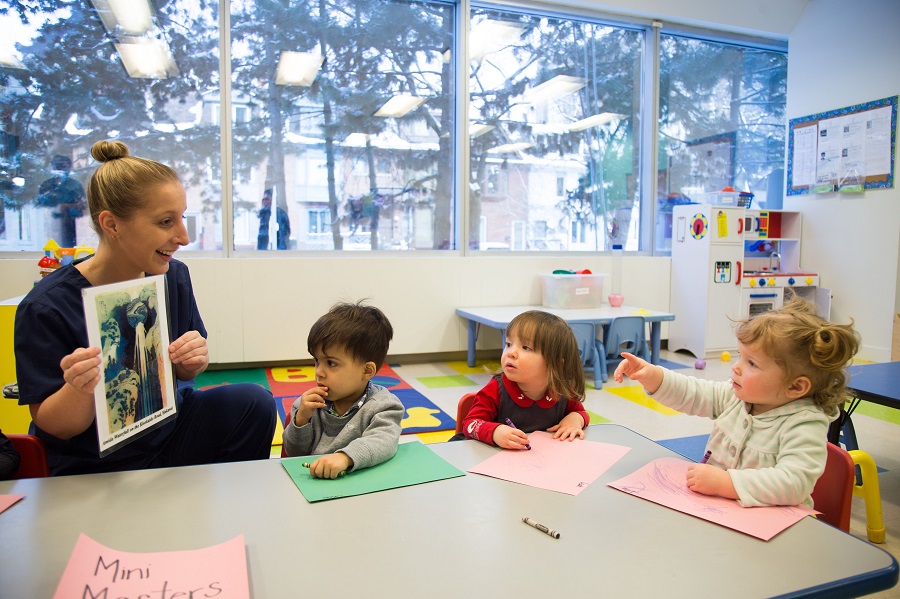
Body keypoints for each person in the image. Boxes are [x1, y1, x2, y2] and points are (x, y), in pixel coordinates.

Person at [14, 140, 277, 476]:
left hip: (166, 433)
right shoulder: (47, 307)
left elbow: (185, 372)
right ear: (111, 225)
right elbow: (58, 427)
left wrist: (193, 359)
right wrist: (79, 388)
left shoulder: (173, 276)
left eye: (182, 219)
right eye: (166, 222)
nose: (183, 236)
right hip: (94, 461)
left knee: (253, 402)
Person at [613, 297, 859, 508]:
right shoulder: (736, 397)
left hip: (772, 529)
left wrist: (727, 483)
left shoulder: (804, 423)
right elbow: (695, 393)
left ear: (795, 386)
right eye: (741, 356)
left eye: (752, 363)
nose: (736, 367)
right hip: (721, 512)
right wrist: (653, 376)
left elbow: (794, 483)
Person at [282, 301, 404, 478]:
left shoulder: (385, 406)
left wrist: (345, 457)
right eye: (317, 361)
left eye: (331, 363)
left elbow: (383, 441)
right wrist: (301, 420)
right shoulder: (307, 405)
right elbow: (293, 454)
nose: (318, 372)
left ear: (367, 370)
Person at [457, 310, 589, 448]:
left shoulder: (561, 390)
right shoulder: (496, 389)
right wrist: (495, 432)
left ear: (555, 364)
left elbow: (580, 412)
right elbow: (470, 424)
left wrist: (575, 419)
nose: (511, 353)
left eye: (526, 347)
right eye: (508, 344)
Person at [36, 154, 86, 248]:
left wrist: (67, 207)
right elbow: (40, 206)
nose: (60, 169)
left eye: (63, 166)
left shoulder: (75, 185)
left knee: (69, 251)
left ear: (69, 167)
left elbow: (82, 205)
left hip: (69, 225)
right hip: (50, 225)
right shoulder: (47, 185)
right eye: (57, 166)